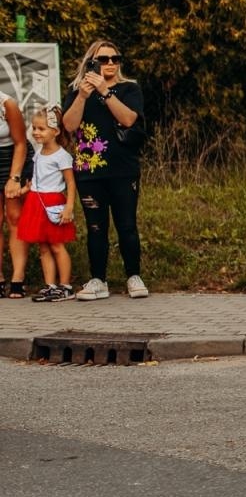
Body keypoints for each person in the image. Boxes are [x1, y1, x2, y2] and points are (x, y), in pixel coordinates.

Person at [61, 39, 147, 300]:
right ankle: (98, 279)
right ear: (91, 62)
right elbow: (69, 125)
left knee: (127, 224)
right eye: (104, 59)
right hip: (90, 170)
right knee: (96, 227)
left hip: (122, 169)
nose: (110, 63)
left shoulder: (129, 88)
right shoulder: (77, 91)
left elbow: (128, 119)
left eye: (115, 58)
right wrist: (85, 95)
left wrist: (105, 92)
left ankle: (133, 276)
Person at [16, 105, 76, 301]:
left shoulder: (62, 156)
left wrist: (69, 207)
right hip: (36, 202)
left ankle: (65, 286)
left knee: (57, 245)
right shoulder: (38, 153)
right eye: (34, 128)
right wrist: (24, 190)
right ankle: (50, 285)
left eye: (41, 129)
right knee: (43, 247)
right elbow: (36, 179)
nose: (35, 132)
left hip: (53, 202)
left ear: (55, 131)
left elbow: (70, 183)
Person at [1, 88, 25, 298]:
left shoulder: (7, 103)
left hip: (10, 158)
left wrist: (14, 178)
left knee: (14, 217)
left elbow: (21, 143)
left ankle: (18, 278)